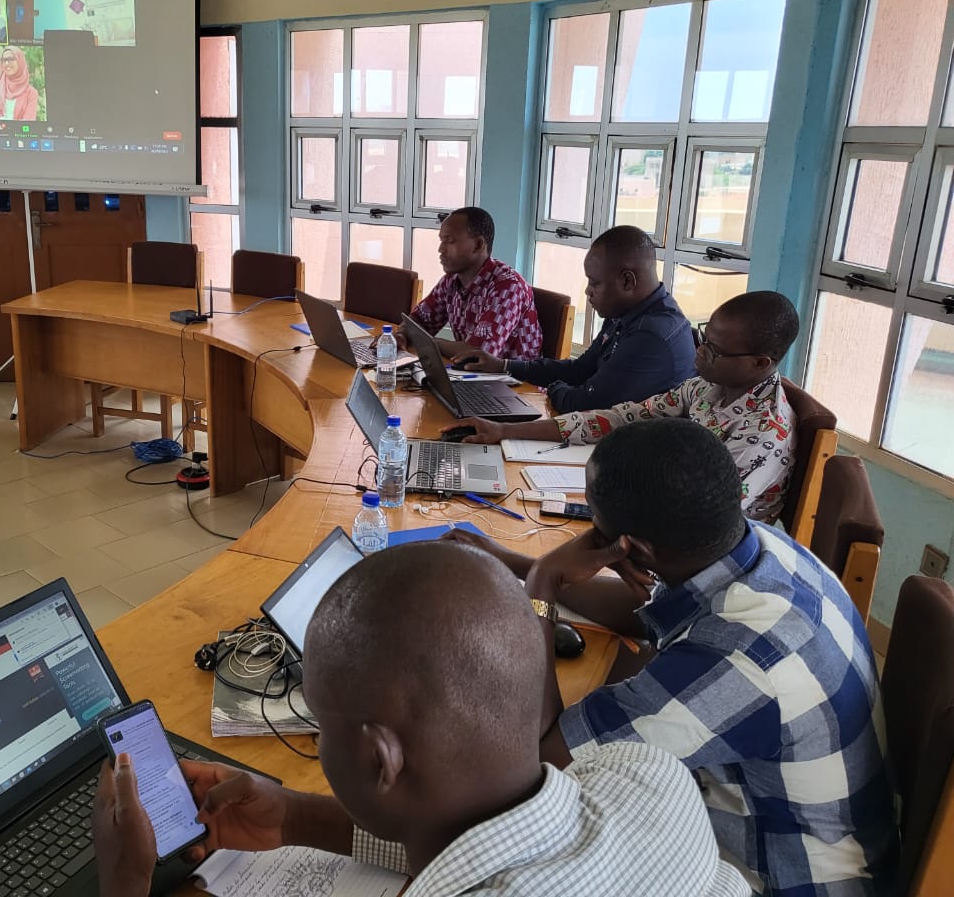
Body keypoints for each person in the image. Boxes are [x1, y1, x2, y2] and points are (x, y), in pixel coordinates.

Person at [92, 541, 749, 897]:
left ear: (381, 757)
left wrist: (125, 884)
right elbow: (480, 829)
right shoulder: (648, 776)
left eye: (322, 725)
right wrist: (295, 816)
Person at [445, 420, 899, 896]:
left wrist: (541, 589)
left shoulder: (739, 658)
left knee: (496, 831)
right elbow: (650, 614)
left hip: (784, 881)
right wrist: (520, 563)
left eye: (596, 528)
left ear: (633, 549)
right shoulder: (761, 549)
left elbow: (545, 763)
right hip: (822, 840)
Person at [448, 290, 799, 520]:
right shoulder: (705, 387)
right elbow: (620, 417)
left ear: (760, 363)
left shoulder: (764, 431)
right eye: (703, 339)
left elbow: (710, 520)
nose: (700, 353)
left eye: (715, 350)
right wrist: (505, 430)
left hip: (708, 556)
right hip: (664, 511)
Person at [456, 225, 695, 411]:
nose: (588, 291)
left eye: (595, 283)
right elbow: (581, 369)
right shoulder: (625, 313)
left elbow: (585, 402)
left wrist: (551, 388)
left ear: (627, 280)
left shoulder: (651, 335)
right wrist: (504, 366)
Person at [405, 206, 543, 360]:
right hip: (472, 375)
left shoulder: (508, 286)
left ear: (478, 245)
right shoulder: (451, 280)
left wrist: (427, 342)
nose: (441, 249)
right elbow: (418, 321)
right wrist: (400, 336)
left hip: (515, 381)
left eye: (449, 241)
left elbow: (479, 352)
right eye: (441, 240)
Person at [0, 46, 40, 121]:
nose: (6, 63)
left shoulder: (31, 93)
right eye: (4, 60)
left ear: (20, 61)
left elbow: (29, 121)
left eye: (11, 59)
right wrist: (2, 119)